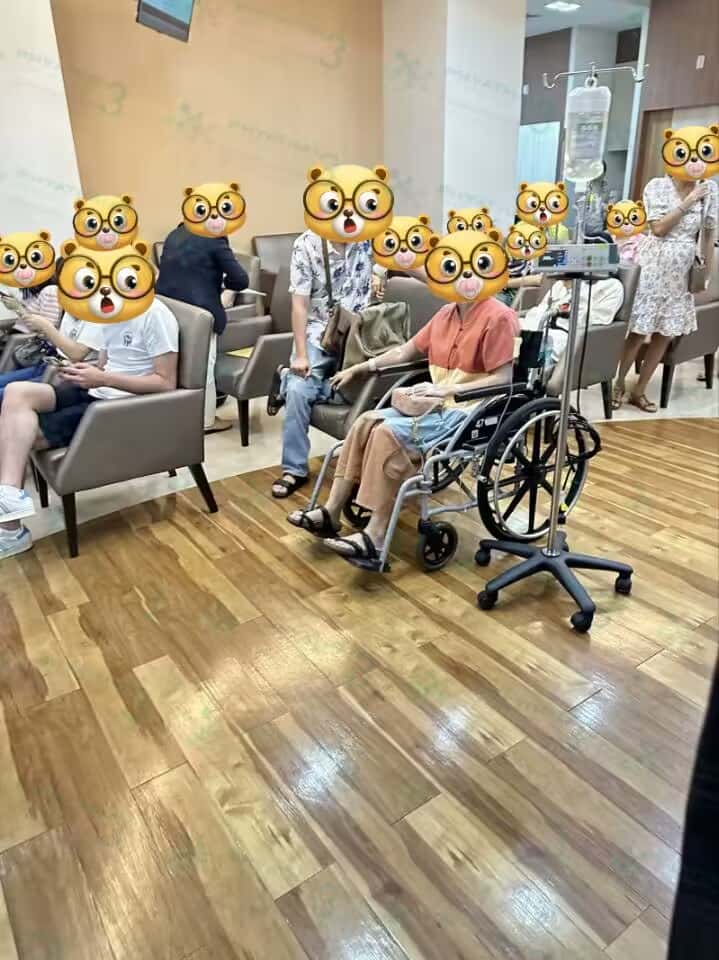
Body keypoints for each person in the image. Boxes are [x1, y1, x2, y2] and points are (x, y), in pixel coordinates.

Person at [287, 295, 518, 563]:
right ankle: (331, 511)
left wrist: (447, 389)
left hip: (468, 410)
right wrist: (360, 368)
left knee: (387, 434)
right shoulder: (446, 313)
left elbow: (504, 378)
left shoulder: (499, 317)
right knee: (365, 421)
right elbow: (403, 352)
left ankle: (376, 534)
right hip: (432, 403)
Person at [0, 297, 178, 561]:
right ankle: (9, 498)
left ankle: (10, 529)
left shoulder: (156, 315)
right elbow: (106, 364)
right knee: (16, 393)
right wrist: (86, 372)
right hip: (97, 391)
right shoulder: (111, 308)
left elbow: (166, 383)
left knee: (19, 435)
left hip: (120, 407)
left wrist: (103, 378)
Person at [267, 229, 376, 498]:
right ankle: (294, 469)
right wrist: (301, 354)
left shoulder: (369, 236)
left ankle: (283, 379)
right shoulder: (306, 244)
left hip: (360, 337)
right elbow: (300, 305)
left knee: (362, 393)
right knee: (298, 391)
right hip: (318, 334)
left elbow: (404, 257)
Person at [613, 177, 718, 412]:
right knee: (639, 331)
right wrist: (689, 201)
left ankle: (639, 391)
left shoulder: (710, 189)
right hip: (653, 265)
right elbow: (658, 229)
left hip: (683, 270)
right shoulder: (657, 186)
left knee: (665, 333)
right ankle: (618, 385)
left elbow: (710, 234)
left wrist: (706, 273)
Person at [156, 215, 248, 433]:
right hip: (200, 314)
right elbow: (241, 279)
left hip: (170, 310)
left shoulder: (174, 234)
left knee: (179, 368)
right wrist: (225, 286)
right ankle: (207, 421)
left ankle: (180, 417)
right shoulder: (214, 238)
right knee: (204, 369)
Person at [0, 283, 103, 404]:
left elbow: (77, 354)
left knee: (8, 394)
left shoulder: (98, 314)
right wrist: (40, 327)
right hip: (50, 363)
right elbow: (59, 339)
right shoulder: (71, 305)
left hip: (68, 374)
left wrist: (46, 326)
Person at [521, 276, 624, 363]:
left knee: (534, 349)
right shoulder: (563, 280)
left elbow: (595, 322)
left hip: (568, 336)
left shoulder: (611, 286)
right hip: (539, 328)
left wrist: (574, 289)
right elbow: (542, 309)